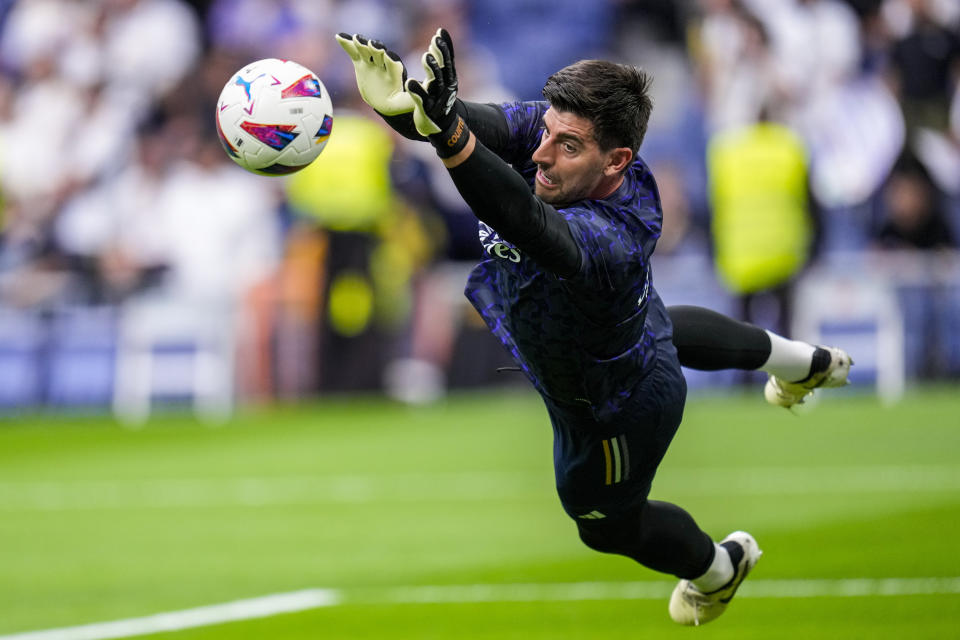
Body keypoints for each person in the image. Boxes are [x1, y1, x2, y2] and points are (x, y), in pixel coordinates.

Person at [336, 29, 851, 625]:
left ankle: (718, 566)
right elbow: (482, 126)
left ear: (617, 161)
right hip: (623, 338)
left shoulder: (613, 236)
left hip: (614, 409)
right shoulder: (571, 134)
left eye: (567, 146)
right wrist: (413, 108)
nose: (542, 153)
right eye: (548, 133)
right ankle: (804, 363)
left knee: (604, 526)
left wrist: (446, 135)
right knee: (663, 323)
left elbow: (525, 220)